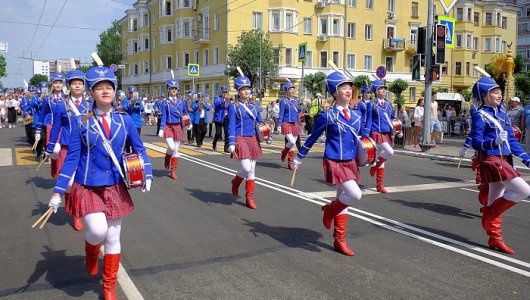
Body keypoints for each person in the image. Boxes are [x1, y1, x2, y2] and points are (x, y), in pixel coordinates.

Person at [47, 65, 153, 299]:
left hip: (115, 184)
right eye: (99, 87)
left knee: (114, 237)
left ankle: (108, 287)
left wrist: (147, 172)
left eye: (109, 87)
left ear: (115, 92)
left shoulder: (124, 120)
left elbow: (140, 149)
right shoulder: (81, 122)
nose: (105, 91)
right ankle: (91, 248)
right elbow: (72, 157)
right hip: (87, 184)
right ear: (91, 93)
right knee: (97, 231)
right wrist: (57, 192)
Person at [293, 71, 365, 256]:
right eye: (343, 88)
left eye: (350, 87)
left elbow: (361, 139)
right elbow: (312, 137)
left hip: (351, 162)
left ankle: (339, 240)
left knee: (345, 201)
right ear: (334, 92)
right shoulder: (328, 116)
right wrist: (298, 157)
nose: (348, 91)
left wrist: (370, 153)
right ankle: (329, 211)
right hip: (335, 160)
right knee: (355, 195)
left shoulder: (357, 115)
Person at [469, 76, 530, 254]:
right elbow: (476, 142)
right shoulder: (480, 115)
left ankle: (494, 238)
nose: (499, 95)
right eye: (494, 92)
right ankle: (488, 214)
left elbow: (512, 140)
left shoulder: (502, 114)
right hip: (492, 160)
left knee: (495, 200)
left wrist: (526, 158)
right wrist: (493, 143)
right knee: (524, 191)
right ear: (484, 96)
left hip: (504, 160)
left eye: (499, 91)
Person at [47, 69, 92, 231]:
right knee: (69, 183)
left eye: (80, 83)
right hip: (67, 147)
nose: (77, 86)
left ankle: (77, 213)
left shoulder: (91, 105)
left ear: (84, 86)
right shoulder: (61, 106)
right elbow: (56, 127)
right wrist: (51, 146)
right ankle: (71, 207)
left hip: (87, 148)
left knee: (81, 182)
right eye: (74, 83)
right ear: (69, 86)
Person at [228, 76, 266, 209]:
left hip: (253, 139)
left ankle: (249, 197)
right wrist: (231, 142)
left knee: (252, 170)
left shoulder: (254, 107)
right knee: (246, 168)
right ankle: (236, 182)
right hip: (240, 138)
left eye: (248, 89)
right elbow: (231, 125)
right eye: (243, 89)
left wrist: (266, 133)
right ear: (238, 91)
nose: (246, 91)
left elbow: (260, 123)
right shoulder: (234, 107)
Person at [159, 79, 191, 179]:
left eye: (175, 88)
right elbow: (164, 116)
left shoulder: (181, 101)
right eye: (172, 88)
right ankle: (167, 157)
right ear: (168, 89)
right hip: (168, 126)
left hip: (178, 126)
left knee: (176, 149)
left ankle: (173, 170)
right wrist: (161, 128)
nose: (173, 90)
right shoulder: (165, 102)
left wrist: (188, 123)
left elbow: (185, 113)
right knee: (171, 147)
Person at [367, 80, 396, 193]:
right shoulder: (372, 104)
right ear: (376, 91)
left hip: (386, 133)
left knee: (382, 159)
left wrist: (396, 123)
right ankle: (374, 166)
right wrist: (365, 133)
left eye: (384, 88)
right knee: (389, 152)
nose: (384, 90)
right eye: (381, 89)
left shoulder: (388, 104)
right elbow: (368, 119)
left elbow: (392, 117)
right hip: (376, 132)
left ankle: (379, 185)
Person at [36, 73, 66, 174]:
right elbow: (42, 115)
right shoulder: (47, 99)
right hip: (51, 127)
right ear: (52, 84)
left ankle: (64, 173)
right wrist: (38, 131)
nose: (58, 85)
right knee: (55, 151)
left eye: (60, 83)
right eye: (56, 83)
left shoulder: (67, 99)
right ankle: (56, 171)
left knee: (64, 151)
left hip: (64, 127)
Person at [278, 82, 301, 169]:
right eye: (291, 90)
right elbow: (281, 113)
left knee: (293, 144)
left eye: (293, 89)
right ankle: (284, 152)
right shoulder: (283, 101)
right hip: (286, 122)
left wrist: (300, 114)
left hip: (295, 123)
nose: (293, 91)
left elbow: (298, 111)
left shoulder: (296, 101)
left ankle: (290, 162)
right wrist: (279, 125)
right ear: (287, 91)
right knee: (291, 142)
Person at [122, 86, 144, 152]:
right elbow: (124, 108)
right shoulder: (126, 100)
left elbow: (142, 109)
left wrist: (137, 102)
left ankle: (135, 157)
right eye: (130, 93)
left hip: (137, 123)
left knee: (136, 142)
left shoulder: (139, 100)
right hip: (128, 123)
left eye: (133, 93)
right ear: (128, 93)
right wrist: (131, 103)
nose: (132, 94)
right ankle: (127, 157)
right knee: (127, 143)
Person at [212, 86, 229, 151]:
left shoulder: (227, 99)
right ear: (221, 92)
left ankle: (226, 147)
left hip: (226, 118)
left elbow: (229, 106)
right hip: (219, 118)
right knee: (218, 133)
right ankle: (214, 143)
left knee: (227, 133)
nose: (224, 93)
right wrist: (224, 100)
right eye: (223, 92)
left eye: (225, 92)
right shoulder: (217, 98)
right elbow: (217, 104)